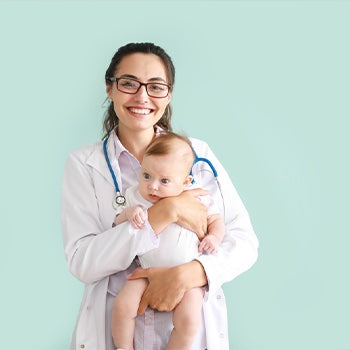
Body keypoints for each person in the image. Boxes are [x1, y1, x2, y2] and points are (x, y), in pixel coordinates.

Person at [61, 42, 259, 350]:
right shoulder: (84, 164)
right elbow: (82, 262)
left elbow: (243, 241)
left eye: (155, 87)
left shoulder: (197, 155)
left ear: (168, 95)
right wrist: (166, 212)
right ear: (109, 89)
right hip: (112, 333)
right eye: (128, 83)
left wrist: (191, 274)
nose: (142, 97)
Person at [111, 132, 225, 350]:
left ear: (185, 182)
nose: (152, 186)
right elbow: (117, 220)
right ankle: (124, 347)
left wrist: (214, 237)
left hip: (187, 277)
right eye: (146, 176)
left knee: (190, 320)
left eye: (164, 181)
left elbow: (216, 220)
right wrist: (129, 213)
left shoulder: (196, 197)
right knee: (123, 306)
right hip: (146, 272)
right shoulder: (135, 196)